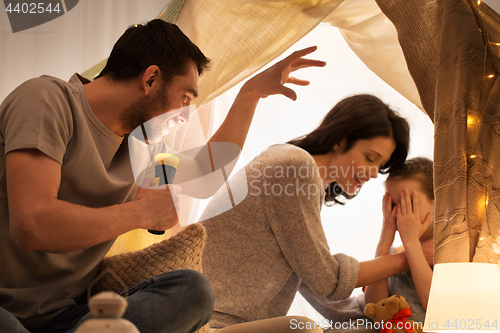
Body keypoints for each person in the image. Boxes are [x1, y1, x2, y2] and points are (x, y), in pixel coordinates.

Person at [0, 19, 326, 333]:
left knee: (192, 291)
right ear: (151, 79)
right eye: (185, 99)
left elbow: (205, 171)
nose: (185, 118)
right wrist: (141, 211)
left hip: (65, 318)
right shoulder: (48, 100)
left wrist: (251, 93)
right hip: (5, 311)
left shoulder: (140, 148)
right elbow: (33, 225)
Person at [199, 94, 434, 332]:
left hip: (219, 317)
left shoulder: (302, 176)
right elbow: (328, 280)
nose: (374, 173)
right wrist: (412, 256)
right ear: (340, 141)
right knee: (303, 328)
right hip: (211, 320)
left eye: (379, 166)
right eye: (370, 158)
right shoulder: (295, 168)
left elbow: (319, 283)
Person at [364, 157, 434, 324]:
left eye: (408, 204)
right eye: (392, 205)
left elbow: (435, 307)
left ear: (436, 201)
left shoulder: (447, 249)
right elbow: (374, 308)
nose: (399, 213)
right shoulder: (393, 253)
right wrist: (384, 242)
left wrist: (411, 242)